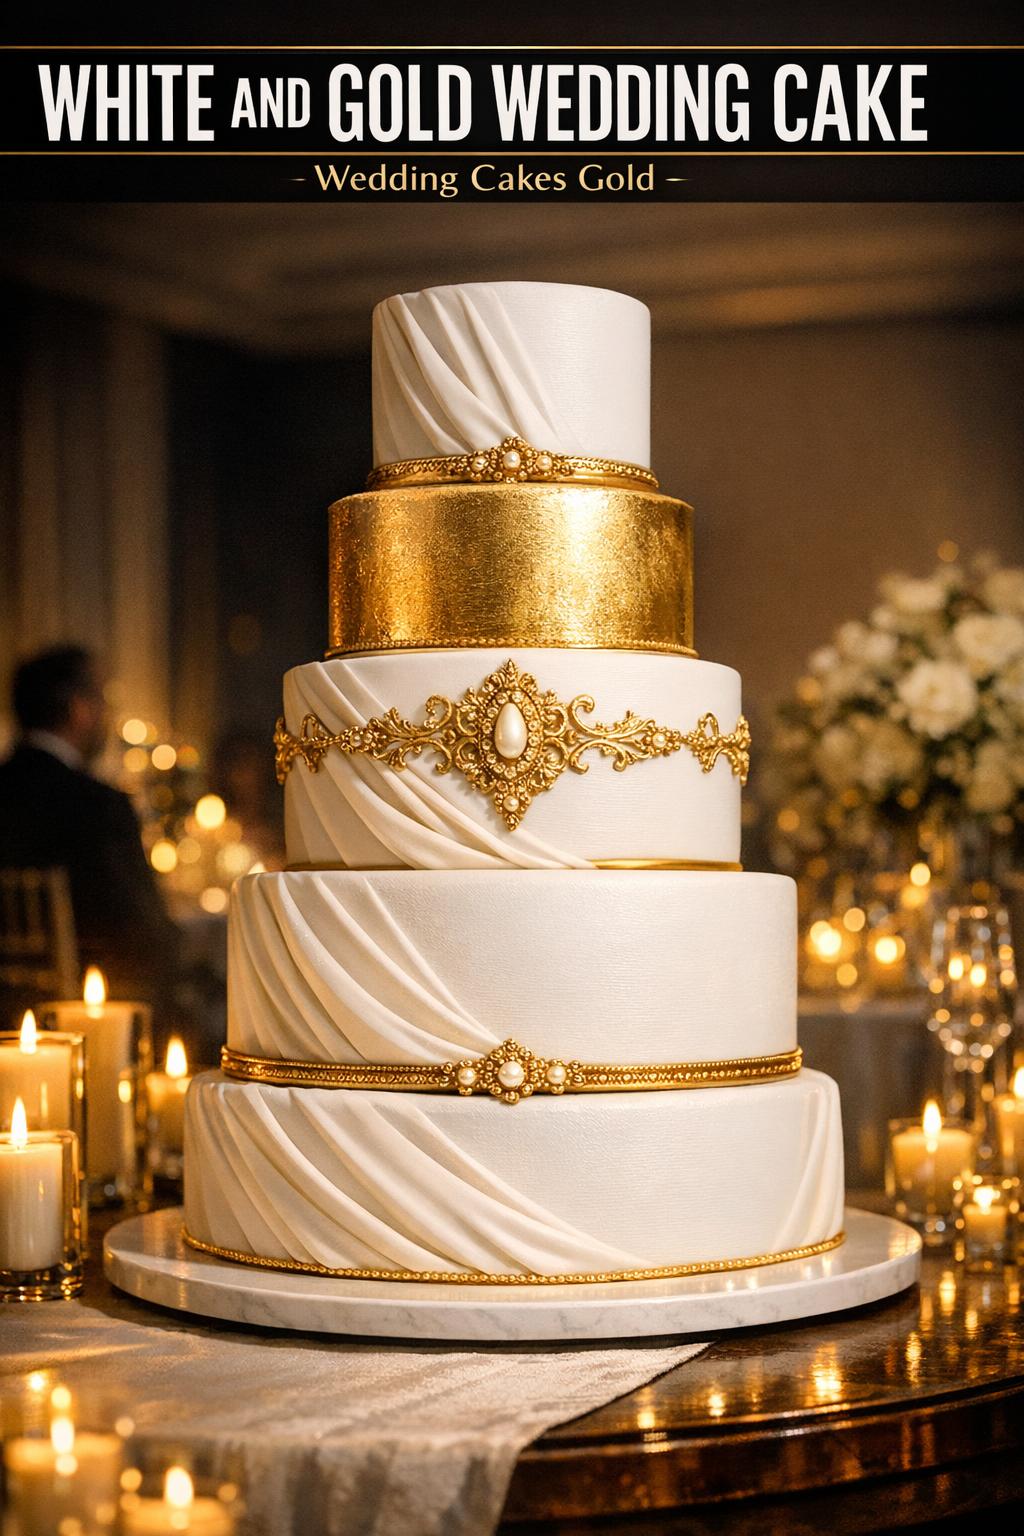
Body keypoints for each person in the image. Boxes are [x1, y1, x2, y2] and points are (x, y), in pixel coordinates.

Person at [0, 645, 179, 1006]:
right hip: (90, 1003)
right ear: (78, 709)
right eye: (102, 698)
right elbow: (142, 930)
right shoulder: (98, 804)